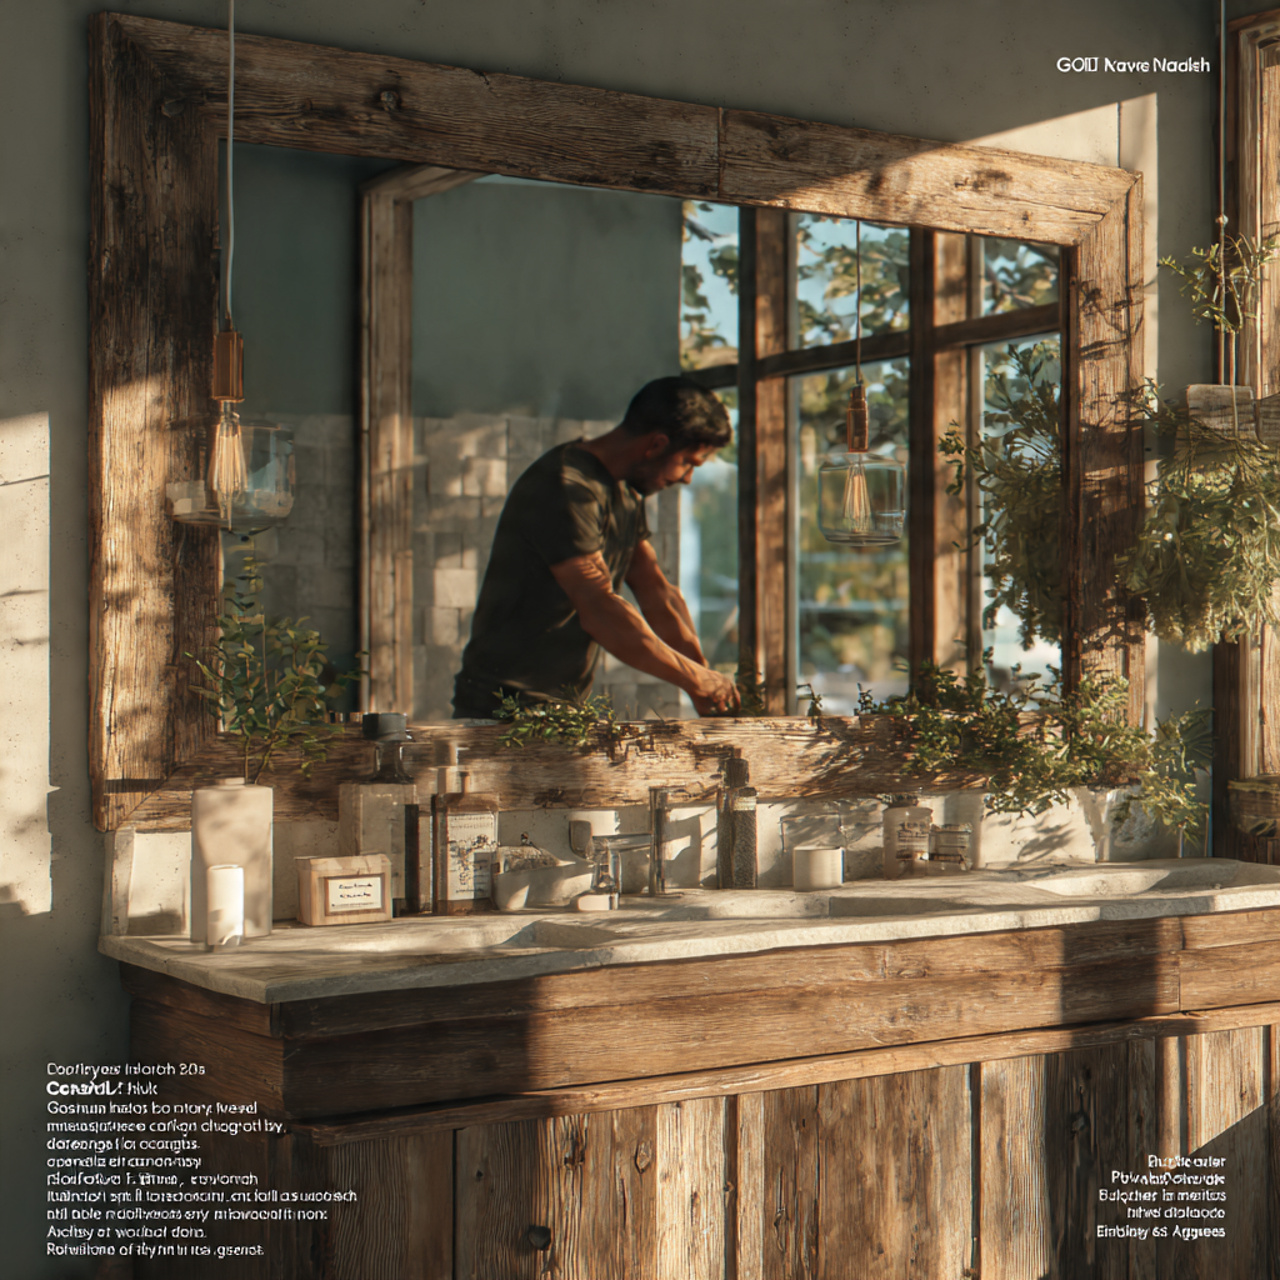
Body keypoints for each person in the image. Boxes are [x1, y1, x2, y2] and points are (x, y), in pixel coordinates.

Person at [452, 376, 741, 719]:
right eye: (688, 462)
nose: (687, 478)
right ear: (656, 444)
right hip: (502, 711)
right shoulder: (566, 485)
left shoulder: (625, 492)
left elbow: (656, 591)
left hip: (560, 711)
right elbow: (601, 610)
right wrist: (695, 679)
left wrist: (706, 683)